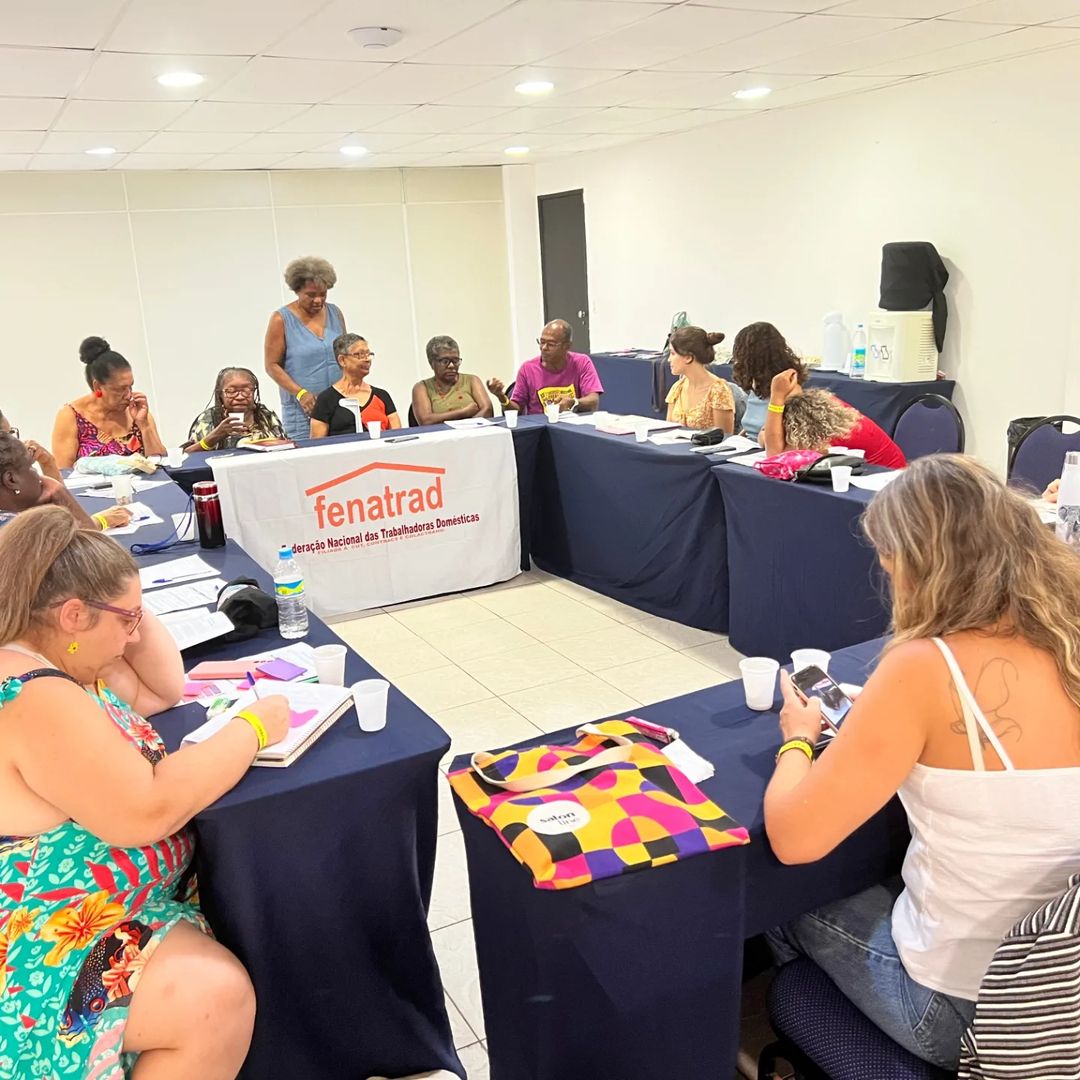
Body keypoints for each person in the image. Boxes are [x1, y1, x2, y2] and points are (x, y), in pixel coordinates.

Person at [763, 455, 1080, 1071]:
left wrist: (799, 738)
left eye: (888, 561)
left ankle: (817, 1048)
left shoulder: (924, 667)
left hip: (977, 1014)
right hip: (1062, 991)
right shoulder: (1065, 633)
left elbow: (794, 837)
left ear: (919, 564)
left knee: (784, 899)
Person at [0, 507, 290, 1076]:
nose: (135, 634)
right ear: (73, 615)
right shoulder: (33, 694)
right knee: (214, 1001)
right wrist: (253, 728)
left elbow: (163, 688)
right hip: (42, 936)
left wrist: (116, 596)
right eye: (127, 620)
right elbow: (147, 810)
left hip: (99, 903)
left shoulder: (64, 664)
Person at [263, 256, 347, 441]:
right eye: (310, 295)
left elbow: (345, 356)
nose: (318, 300)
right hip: (303, 410)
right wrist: (301, 394)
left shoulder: (335, 313)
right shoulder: (281, 319)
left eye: (323, 294)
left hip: (339, 404)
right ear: (297, 290)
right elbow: (272, 366)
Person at [51, 338, 167, 469]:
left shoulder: (136, 411)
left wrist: (144, 425)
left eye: (131, 386)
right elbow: (64, 473)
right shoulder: (71, 416)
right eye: (120, 389)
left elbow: (161, 464)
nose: (129, 395)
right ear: (97, 386)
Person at [764, 371, 907, 468]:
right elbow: (763, 436)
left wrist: (776, 398)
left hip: (890, 481)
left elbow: (775, 458)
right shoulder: (822, 409)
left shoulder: (824, 428)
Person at [0, 432, 131, 531]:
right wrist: (61, 495)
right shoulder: (16, 530)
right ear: (11, 479)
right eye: (31, 466)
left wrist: (48, 463)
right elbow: (87, 554)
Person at [487, 320, 603, 415]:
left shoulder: (581, 362)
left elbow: (593, 400)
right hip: (541, 430)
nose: (544, 348)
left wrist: (573, 402)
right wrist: (501, 397)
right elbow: (516, 410)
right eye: (541, 342)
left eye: (551, 344)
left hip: (573, 426)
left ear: (567, 346)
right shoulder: (528, 369)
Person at [310, 333, 401, 438]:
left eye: (368, 354)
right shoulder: (326, 399)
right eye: (360, 354)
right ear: (342, 360)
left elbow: (397, 435)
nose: (367, 359)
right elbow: (317, 443)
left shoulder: (382, 396)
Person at [182, 367, 287, 453]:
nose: (240, 396)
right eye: (231, 391)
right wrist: (216, 435)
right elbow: (187, 457)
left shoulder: (266, 416)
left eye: (246, 390)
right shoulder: (207, 420)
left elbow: (285, 448)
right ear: (220, 395)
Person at [730, 321, 804, 439]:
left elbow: (784, 437)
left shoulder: (790, 390)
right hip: (747, 446)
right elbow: (751, 427)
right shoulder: (756, 383)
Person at [664, 327, 734, 433]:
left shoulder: (718, 391)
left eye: (673, 354)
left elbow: (724, 436)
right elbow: (668, 430)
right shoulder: (677, 388)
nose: (669, 359)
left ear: (688, 357)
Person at [411, 336, 493, 426]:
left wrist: (467, 428)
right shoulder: (421, 388)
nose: (451, 366)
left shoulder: (472, 380)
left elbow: (487, 410)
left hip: (473, 434)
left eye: (455, 360)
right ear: (432, 363)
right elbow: (426, 421)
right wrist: (464, 412)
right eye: (445, 361)